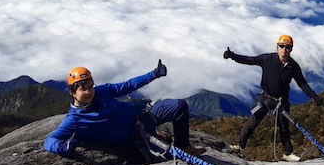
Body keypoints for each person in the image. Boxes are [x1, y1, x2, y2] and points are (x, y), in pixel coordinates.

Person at [44, 60, 206, 158]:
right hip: (136, 137)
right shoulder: (74, 119)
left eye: (90, 86)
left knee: (179, 106)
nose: (89, 92)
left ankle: (184, 146)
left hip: (142, 118)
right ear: (72, 92)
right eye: (83, 89)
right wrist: (62, 148)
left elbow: (127, 86)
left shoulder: (101, 92)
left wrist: (154, 74)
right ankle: (157, 135)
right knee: (168, 156)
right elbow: (49, 141)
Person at [223, 34, 324, 162]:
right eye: (281, 46)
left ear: (291, 49)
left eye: (287, 47)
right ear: (277, 47)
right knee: (253, 122)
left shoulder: (293, 66)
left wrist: (314, 97)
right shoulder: (267, 59)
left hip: (281, 101)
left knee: (283, 128)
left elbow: (302, 83)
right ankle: (239, 145)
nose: (284, 49)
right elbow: (249, 60)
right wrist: (232, 56)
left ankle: (287, 153)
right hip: (265, 98)